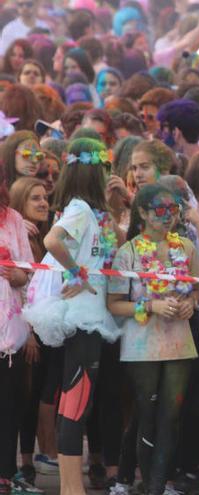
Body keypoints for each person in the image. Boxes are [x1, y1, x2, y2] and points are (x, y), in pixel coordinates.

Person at [23, 138, 122, 495]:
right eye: (105, 168)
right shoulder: (79, 209)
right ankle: (70, 488)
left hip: (87, 318)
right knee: (76, 400)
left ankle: (70, 485)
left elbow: (109, 247)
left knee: (75, 400)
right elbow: (52, 241)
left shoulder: (90, 212)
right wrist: (76, 272)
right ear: (94, 171)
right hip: (82, 319)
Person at [106, 183, 199, 495]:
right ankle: (148, 484)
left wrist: (192, 302)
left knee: (171, 415)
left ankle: (158, 485)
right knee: (146, 413)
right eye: (160, 210)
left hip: (178, 341)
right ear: (144, 213)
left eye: (173, 209)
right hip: (141, 345)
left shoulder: (185, 248)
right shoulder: (128, 252)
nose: (168, 216)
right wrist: (150, 305)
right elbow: (114, 303)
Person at [0, 168, 37, 495]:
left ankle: (6, 474)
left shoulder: (13, 220)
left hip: (9, 332)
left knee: (10, 405)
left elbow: (29, 268)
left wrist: (20, 278)